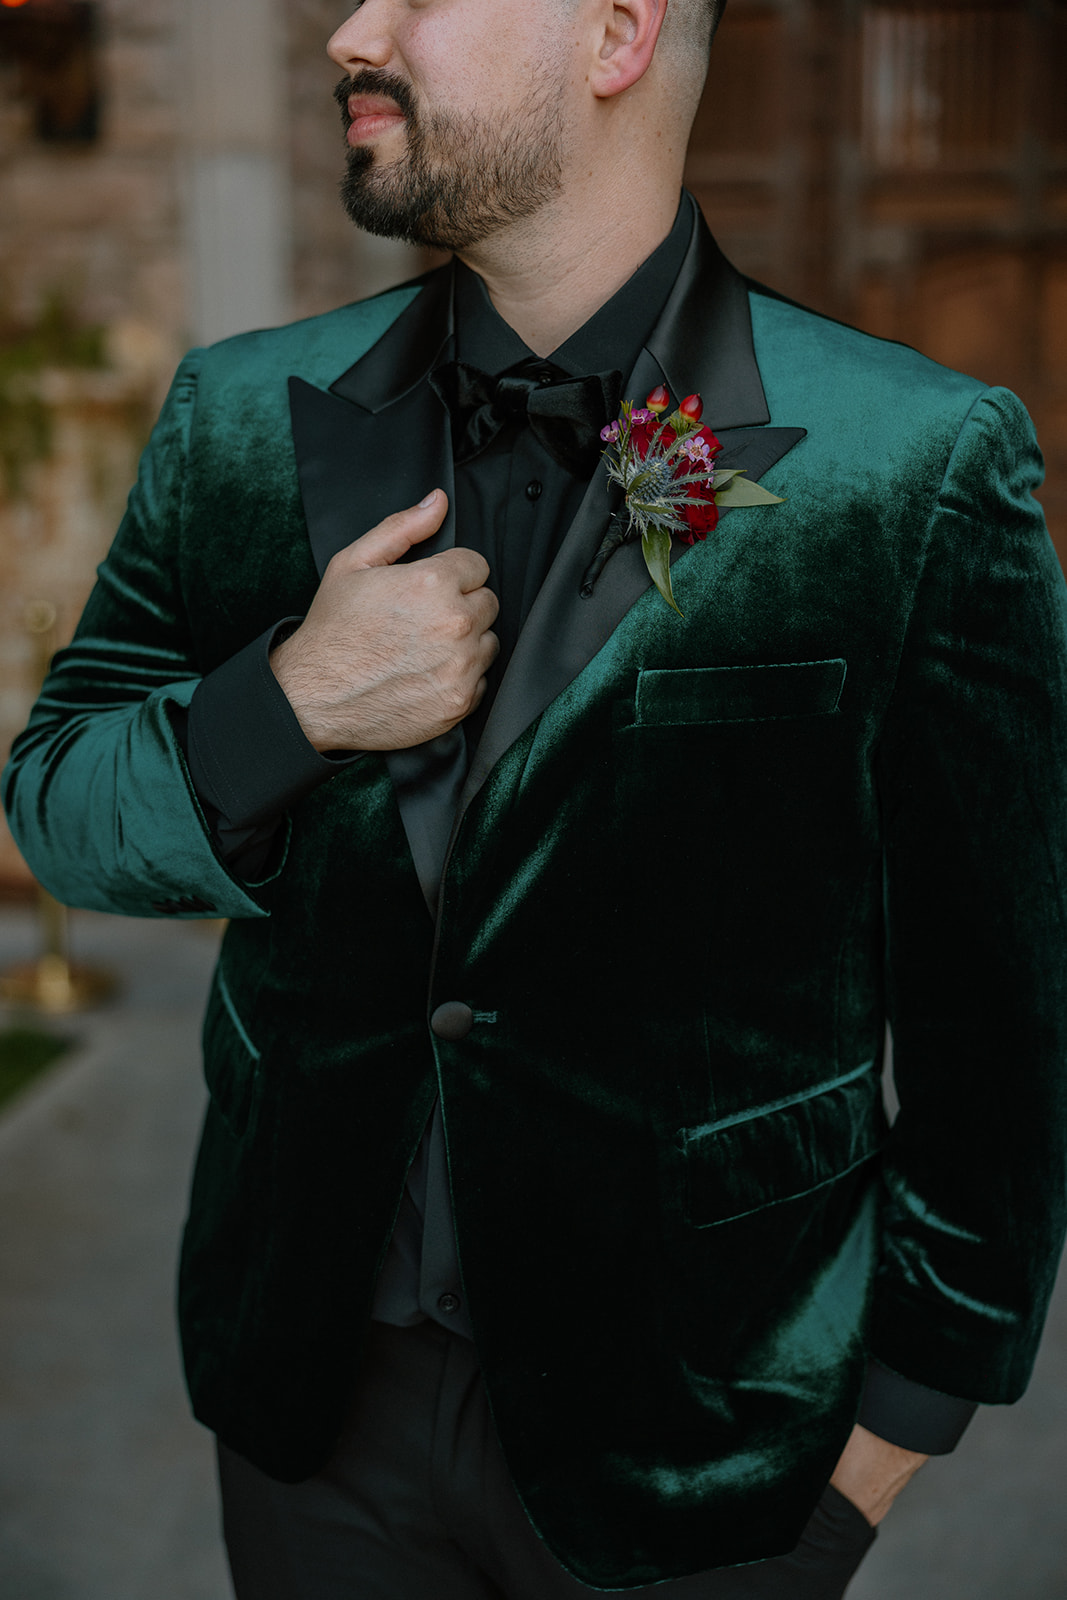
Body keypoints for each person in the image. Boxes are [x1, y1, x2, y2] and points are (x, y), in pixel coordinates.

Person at [5, 0, 1067, 1595]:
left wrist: (905, 1417)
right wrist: (283, 707)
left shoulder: (908, 471)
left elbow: (1006, 1011)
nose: (350, 34)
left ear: (618, 35)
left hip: (704, 1439)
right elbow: (56, 804)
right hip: (312, 1416)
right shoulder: (234, 421)